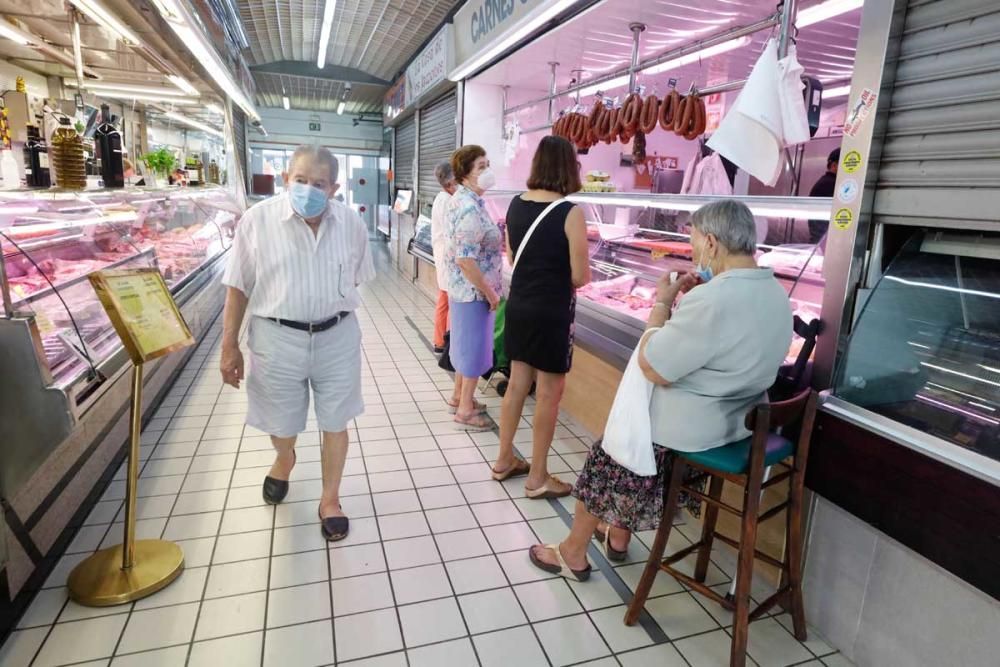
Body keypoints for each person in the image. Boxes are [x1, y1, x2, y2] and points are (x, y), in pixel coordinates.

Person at [527, 199, 792, 580]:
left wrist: (663, 304)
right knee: (632, 438)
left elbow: (653, 366)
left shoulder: (714, 298)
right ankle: (617, 534)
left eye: (696, 241)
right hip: (742, 421)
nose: (695, 251)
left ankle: (573, 551)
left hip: (698, 429)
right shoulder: (775, 294)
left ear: (713, 243)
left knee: (613, 446)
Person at [220, 145, 375, 541]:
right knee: (281, 420)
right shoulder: (257, 222)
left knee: (335, 420)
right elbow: (237, 288)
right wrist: (229, 346)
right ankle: (285, 456)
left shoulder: (352, 225)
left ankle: (330, 499)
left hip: (337, 336)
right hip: (276, 337)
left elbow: (356, 276)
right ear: (286, 178)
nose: (308, 189)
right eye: (300, 180)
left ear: (334, 187)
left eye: (318, 183)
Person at [492, 136, 592, 499]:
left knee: (518, 383)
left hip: (519, 305)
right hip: (551, 313)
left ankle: (504, 460)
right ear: (568, 167)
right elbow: (580, 276)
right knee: (549, 393)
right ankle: (537, 477)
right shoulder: (570, 212)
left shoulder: (516, 205)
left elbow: (512, 257)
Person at [444, 145, 502, 431]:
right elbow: (465, 259)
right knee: (473, 349)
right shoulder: (468, 206)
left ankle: (459, 397)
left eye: (487, 164)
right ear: (465, 174)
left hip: (465, 290)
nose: (487, 171)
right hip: (473, 292)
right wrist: (490, 293)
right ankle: (466, 410)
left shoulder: (468, 199)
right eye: (481, 166)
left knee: (465, 346)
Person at [431, 161, 458, 354]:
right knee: (449, 301)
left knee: (444, 299)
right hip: (447, 256)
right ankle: (445, 341)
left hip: (444, 255)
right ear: (449, 183)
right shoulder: (447, 201)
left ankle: (440, 340)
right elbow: (453, 233)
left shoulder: (443, 198)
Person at [807, 148, 840, 245]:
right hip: (823, 243)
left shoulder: (827, 181)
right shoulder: (831, 184)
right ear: (834, 165)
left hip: (821, 241)